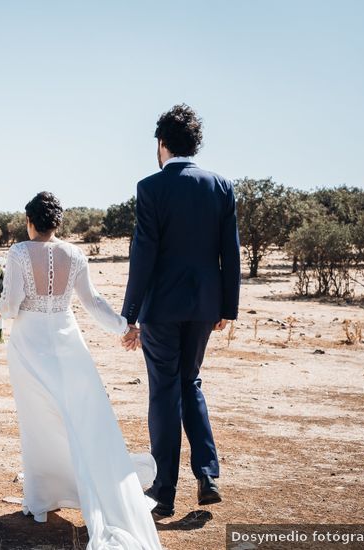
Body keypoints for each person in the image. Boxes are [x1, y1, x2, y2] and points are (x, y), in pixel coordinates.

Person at [0, 191, 163, 550]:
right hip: (69, 346)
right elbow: (93, 303)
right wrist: (124, 327)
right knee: (81, 420)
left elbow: (11, 306)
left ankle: (41, 498)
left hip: (30, 347)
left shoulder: (19, 252)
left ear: (29, 222)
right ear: (57, 224)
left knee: (38, 422)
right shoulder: (75, 253)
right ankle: (76, 489)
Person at [120, 104, 241, 518]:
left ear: (162, 144)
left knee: (164, 391)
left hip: (162, 309)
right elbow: (231, 251)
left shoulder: (150, 188)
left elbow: (144, 254)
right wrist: (227, 306)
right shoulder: (221, 186)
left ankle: (164, 492)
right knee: (190, 382)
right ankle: (207, 475)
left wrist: (130, 312)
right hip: (206, 307)